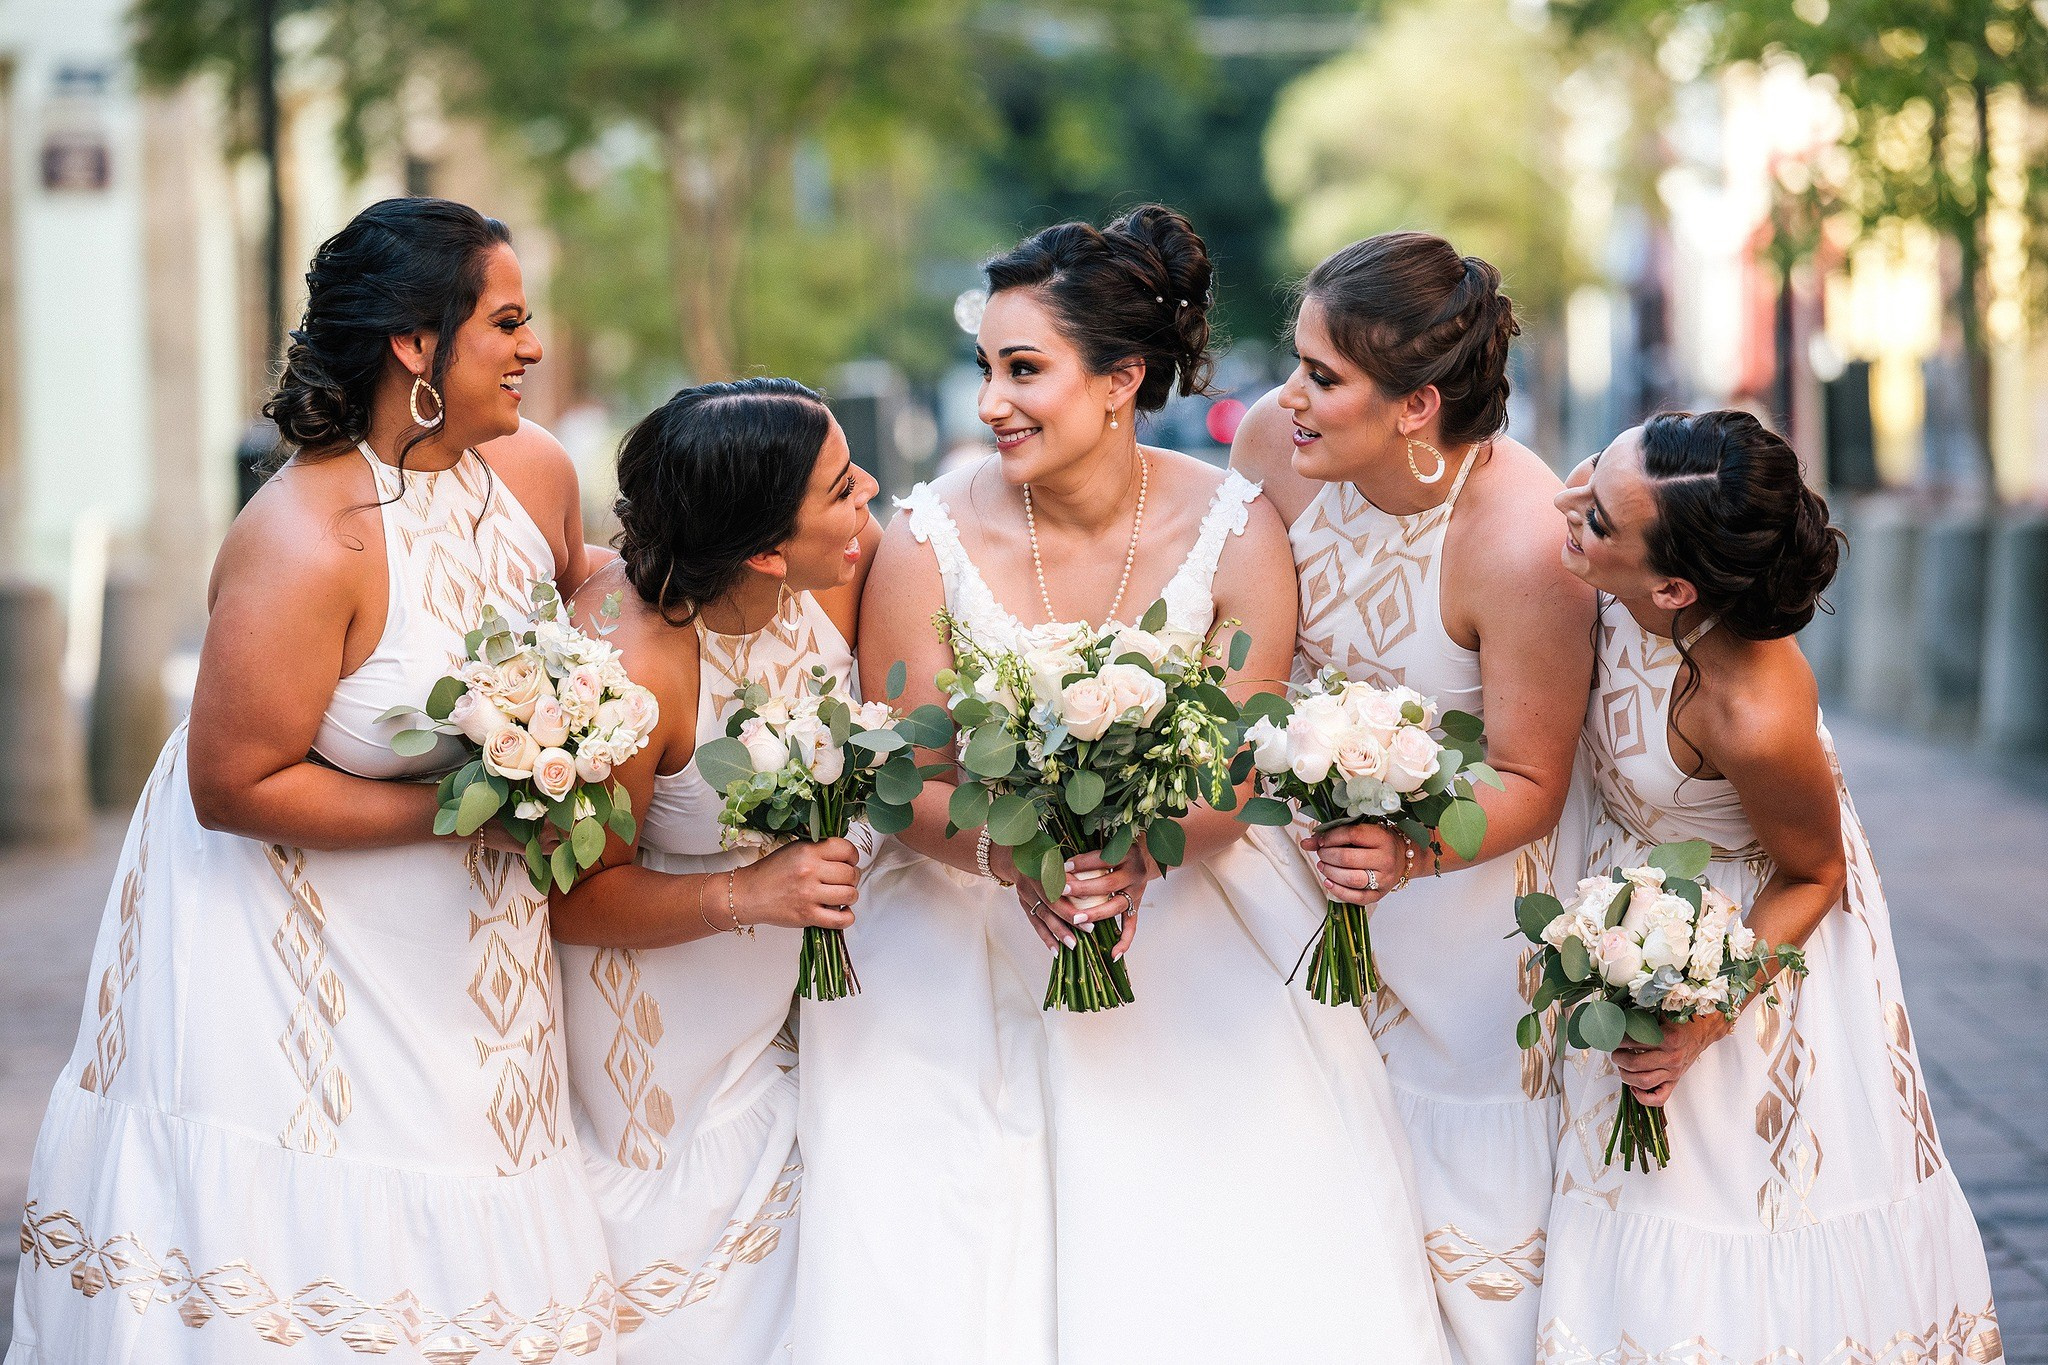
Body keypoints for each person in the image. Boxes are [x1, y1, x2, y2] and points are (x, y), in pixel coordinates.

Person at [796, 205, 1447, 1365]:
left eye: (1022, 369)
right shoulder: (925, 538)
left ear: (1119, 379)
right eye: (985, 368)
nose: (990, 402)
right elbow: (906, 775)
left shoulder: (1232, 529)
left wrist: (1136, 856)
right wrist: (1017, 859)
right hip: (962, 909)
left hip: (1193, 891)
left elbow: (1240, 761)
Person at [7, 197, 618, 1363]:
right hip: (298, 952)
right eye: (506, 323)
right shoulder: (304, 536)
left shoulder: (532, 474)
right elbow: (231, 784)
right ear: (415, 344)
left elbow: (587, 601)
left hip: (475, 959)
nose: (534, 347)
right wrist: (470, 813)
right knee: (333, 1266)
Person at [1540, 411, 2003, 1361]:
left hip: (1739, 937)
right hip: (1637, 894)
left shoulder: (1750, 707)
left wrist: (1701, 1018)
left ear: (1672, 589)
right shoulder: (1641, 493)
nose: (1567, 511)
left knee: (1727, 1212)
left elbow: (1815, 872)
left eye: (1596, 519)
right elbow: (1584, 488)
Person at [1231, 231, 1596, 1365]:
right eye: (1296, 362)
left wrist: (1403, 854)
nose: (1289, 396)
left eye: (1322, 376)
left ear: (1416, 406)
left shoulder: (1520, 540)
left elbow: (1532, 778)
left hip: (1462, 917)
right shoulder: (1272, 446)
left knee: (1464, 1235)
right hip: (1295, 899)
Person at [550, 378, 879, 1361]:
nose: (868, 491)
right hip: (659, 1026)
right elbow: (572, 897)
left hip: (791, 1008)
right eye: (840, 488)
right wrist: (751, 893)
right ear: (766, 552)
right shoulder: (632, 665)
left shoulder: (846, 567)